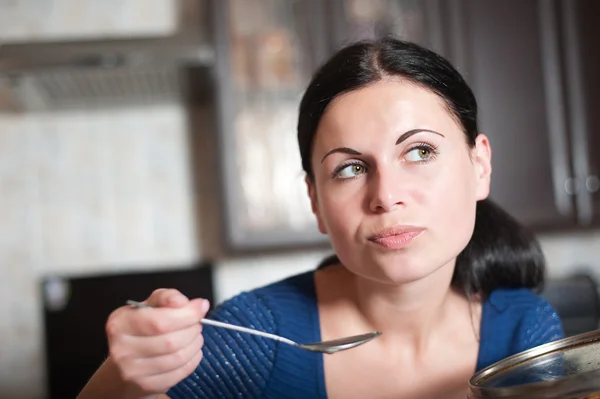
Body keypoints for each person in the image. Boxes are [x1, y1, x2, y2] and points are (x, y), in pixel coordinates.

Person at [78, 37, 564, 399]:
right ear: (315, 200)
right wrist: (122, 380)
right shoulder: (256, 336)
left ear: (479, 167)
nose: (386, 196)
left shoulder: (526, 333)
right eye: (350, 168)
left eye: (419, 151)